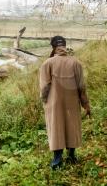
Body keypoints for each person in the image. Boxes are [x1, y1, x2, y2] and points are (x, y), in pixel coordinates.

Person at [39, 36, 91, 169]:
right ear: (64, 45)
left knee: (56, 127)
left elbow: (45, 87)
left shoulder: (47, 63)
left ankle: (57, 160)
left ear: (53, 47)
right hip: (73, 103)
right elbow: (81, 87)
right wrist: (86, 104)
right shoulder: (76, 63)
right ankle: (72, 156)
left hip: (54, 103)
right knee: (72, 126)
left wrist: (45, 102)